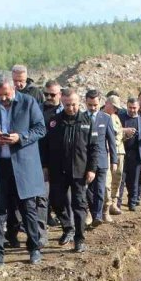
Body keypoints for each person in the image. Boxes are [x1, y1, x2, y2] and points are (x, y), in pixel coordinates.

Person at [0, 73, 46, 269]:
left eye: (7, 94)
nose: (4, 99)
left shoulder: (28, 102)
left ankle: (34, 248)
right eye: (0, 95)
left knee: (28, 209)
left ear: (14, 89)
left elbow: (40, 129)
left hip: (23, 165)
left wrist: (21, 137)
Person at [41, 89, 97, 252]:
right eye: (67, 105)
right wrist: (45, 166)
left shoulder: (86, 121)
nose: (70, 108)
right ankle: (68, 228)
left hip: (79, 171)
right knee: (57, 202)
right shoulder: (54, 122)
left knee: (79, 205)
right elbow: (45, 146)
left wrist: (91, 169)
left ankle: (79, 238)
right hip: (58, 170)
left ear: (79, 103)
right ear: (62, 102)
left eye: (73, 104)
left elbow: (94, 147)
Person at [83, 90, 117, 227]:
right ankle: (91, 213)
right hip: (86, 161)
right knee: (88, 190)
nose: (93, 108)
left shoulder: (106, 118)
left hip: (102, 160)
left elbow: (111, 141)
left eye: (95, 105)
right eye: (90, 105)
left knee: (100, 189)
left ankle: (97, 215)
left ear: (100, 102)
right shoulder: (81, 118)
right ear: (85, 102)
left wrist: (114, 160)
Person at [37, 80, 63, 241]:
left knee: (61, 197)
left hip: (60, 161)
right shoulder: (38, 111)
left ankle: (68, 227)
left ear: (59, 95)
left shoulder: (65, 111)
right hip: (42, 159)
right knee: (42, 197)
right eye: (46, 94)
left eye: (52, 95)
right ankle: (41, 233)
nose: (48, 97)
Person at [118, 97, 141, 211]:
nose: (132, 110)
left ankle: (132, 202)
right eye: (130, 108)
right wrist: (125, 131)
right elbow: (115, 130)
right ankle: (118, 204)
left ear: (138, 108)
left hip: (136, 155)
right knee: (121, 180)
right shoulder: (121, 118)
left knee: (134, 180)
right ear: (127, 106)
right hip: (122, 154)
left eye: (134, 108)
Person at [102, 95, 126, 217]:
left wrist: (124, 134)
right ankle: (106, 205)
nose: (116, 110)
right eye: (114, 107)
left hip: (119, 150)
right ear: (107, 104)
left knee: (118, 176)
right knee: (107, 180)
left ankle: (114, 203)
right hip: (107, 152)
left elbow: (120, 132)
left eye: (117, 108)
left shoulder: (115, 117)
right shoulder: (101, 117)